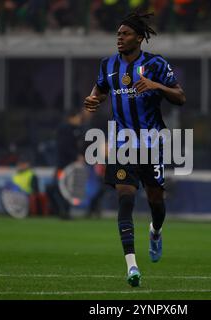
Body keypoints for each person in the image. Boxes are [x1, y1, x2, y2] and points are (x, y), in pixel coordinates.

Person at [84, 12, 186, 287]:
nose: (119, 38)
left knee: (155, 201)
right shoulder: (108, 65)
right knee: (125, 198)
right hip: (121, 145)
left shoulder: (155, 64)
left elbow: (180, 97)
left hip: (151, 144)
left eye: (125, 34)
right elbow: (101, 88)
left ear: (139, 38)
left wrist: (157, 86)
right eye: (117, 34)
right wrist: (94, 99)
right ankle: (132, 266)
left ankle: (155, 231)